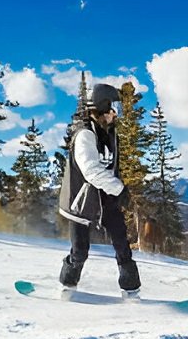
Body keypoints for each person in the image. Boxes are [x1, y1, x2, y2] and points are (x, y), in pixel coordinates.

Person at [57, 83, 140, 297]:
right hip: (82, 201)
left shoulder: (109, 134)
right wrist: (119, 189)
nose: (115, 114)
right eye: (113, 109)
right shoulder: (85, 135)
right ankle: (67, 288)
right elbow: (91, 170)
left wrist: (120, 193)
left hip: (106, 199)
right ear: (102, 108)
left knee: (122, 244)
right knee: (80, 252)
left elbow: (112, 167)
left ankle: (131, 291)